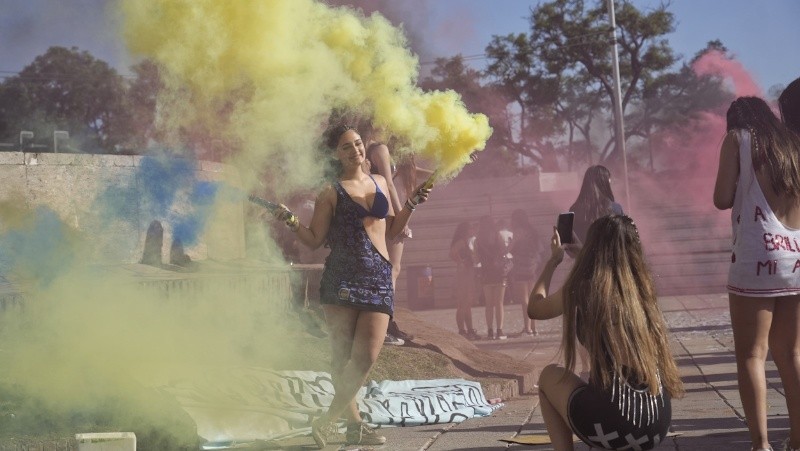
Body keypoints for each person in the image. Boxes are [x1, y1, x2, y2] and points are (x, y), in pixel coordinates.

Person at [271, 123, 431, 449]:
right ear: (336, 154)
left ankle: (326, 421)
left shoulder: (381, 181)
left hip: (379, 279)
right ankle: (354, 426)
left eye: (357, 143)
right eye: (346, 147)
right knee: (342, 358)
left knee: (366, 357)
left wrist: (411, 203)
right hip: (342, 280)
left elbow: (393, 230)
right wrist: (290, 220)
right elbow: (314, 240)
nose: (355, 150)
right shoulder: (330, 192)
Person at [528, 215, 684, 450]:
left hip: (611, 426)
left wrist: (554, 260)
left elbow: (535, 308)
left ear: (594, 249)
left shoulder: (582, 287)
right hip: (655, 426)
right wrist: (583, 255)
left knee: (549, 376)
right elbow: (610, 278)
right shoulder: (642, 289)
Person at [713, 96, 800, 451]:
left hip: (757, 256)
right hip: (796, 257)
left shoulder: (737, 139)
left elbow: (721, 198)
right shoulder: (792, 143)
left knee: (752, 354)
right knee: (792, 354)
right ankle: (798, 439)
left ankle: (760, 444)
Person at [569, 164, 624, 375]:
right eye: (609, 179)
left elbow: (568, 246)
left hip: (583, 273)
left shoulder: (574, 209)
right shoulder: (615, 209)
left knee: (584, 321)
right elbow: (622, 242)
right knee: (610, 321)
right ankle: (610, 367)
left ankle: (586, 368)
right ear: (604, 181)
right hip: (609, 272)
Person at [363, 136, 412, 346]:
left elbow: (404, 175)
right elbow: (389, 183)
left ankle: (386, 322)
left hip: (382, 212)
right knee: (392, 270)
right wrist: (403, 215)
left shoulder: (369, 149)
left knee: (388, 269)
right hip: (390, 214)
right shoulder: (380, 148)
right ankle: (384, 323)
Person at [569, 165, 624, 245]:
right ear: (605, 184)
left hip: (583, 253)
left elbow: (571, 242)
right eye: (609, 182)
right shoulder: (615, 208)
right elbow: (622, 239)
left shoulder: (574, 209)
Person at [474, 215, 509, 340]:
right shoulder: (498, 235)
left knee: (488, 304)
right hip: (499, 272)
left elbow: (476, 259)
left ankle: (490, 331)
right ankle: (499, 331)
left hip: (486, 273)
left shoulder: (478, 239)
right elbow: (504, 251)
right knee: (499, 303)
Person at [508, 209, 541, 336]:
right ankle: (534, 327)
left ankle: (527, 328)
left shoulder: (518, 232)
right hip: (532, 266)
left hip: (520, 267)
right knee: (532, 298)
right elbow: (539, 249)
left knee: (524, 299)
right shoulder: (532, 232)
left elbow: (509, 249)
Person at [449, 220, 479, 340]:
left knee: (468, 304)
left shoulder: (467, 241)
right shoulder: (461, 241)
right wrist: (461, 262)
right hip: (464, 274)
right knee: (462, 303)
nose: (473, 230)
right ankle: (462, 330)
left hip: (468, 273)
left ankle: (470, 329)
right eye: (470, 228)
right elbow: (452, 253)